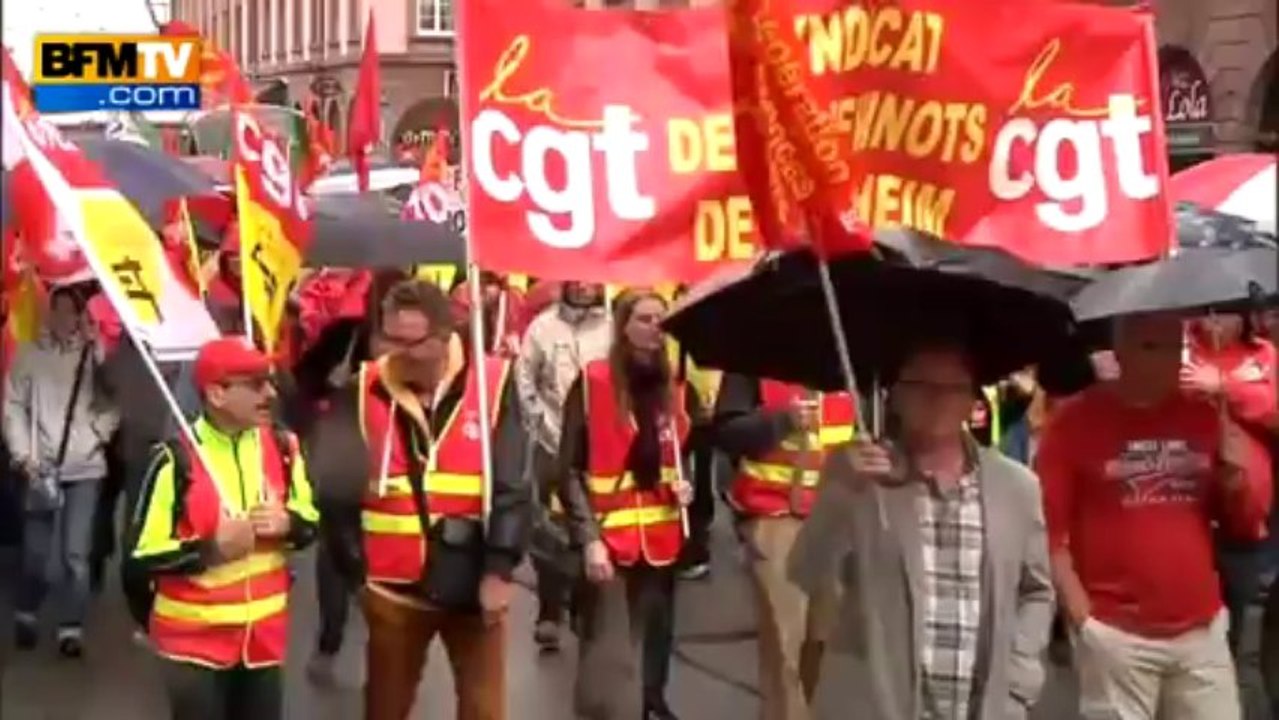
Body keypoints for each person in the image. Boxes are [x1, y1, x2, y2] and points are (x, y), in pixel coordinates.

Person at [790, 334, 1055, 720]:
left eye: (954, 387)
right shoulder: (859, 475)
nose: (938, 399)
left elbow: (1036, 592)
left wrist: (1018, 681)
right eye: (921, 385)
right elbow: (806, 572)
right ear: (895, 394)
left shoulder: (1016, 487)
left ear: (973, 400)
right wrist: (841, 493)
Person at [309, 279, 529, 720]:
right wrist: (357, 575)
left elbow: (515, 483)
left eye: (413, 342)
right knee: (385, 708)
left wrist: (500, 568)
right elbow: (332, 491)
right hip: (390, 587)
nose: (398, 352)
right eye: (390, 338)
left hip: (474, 584)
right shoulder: (360, 389)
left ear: (446, 336)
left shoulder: (494, 384)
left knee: (484, 709)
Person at [1037, 312, 1265, 720]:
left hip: (1200, 629)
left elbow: (1242, 524)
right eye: (1150, 347)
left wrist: (1236, 479)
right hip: (1114, 633)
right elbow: (1047, 529)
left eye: (1174, 347)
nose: (1166, 359)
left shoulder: (1205, 414)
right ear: (1119, 352)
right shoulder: (1073, 423)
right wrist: (1081, 616)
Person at [125, 336, 318, 720]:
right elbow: (141, 559)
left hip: (263, 641)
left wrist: (289, 524)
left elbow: (311, 522)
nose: (270, 393)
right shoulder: (174, 460)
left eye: (270, 381)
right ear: (216, 394)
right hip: (193, 646)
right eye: (256, 385)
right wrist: (210, 550)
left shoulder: (284, 447)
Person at [557, 289, 696, 720]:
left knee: (651, 647)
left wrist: (684, 486)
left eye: (661, 320)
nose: (656, 328)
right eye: (645, 319)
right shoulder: (593, 383)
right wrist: (589, 540)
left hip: (661, 540)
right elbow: (567, 469)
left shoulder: (675, 388)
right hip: (609, 542)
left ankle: (647, 704)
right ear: (623, 327)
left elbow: (680, 455)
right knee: (610, 656)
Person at [713, 373, 855, 719]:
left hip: (836, 521)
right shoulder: (754, 361)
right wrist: (782, 422)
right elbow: (726, 433)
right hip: (774, 518)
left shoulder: (851, 362)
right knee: (784, 648)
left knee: (827, 648)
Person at [3, 285, 118, 658]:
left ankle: (71, 626)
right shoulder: (29, 354)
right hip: (41, 468)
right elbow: (13, 406)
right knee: (36, 554)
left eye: (72, 311)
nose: (64, 318)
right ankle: (27, 611)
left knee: (76, 556)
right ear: (48, 312)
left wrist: (97, 435)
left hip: (85, 468)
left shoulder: (95, 355)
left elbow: (115, 401)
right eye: (58, 310)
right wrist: (23, 454)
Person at [515, 280, 611, 652]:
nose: (586, 286)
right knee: (548, 531)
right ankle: (549, 611)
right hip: (551, 443)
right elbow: (525, 380)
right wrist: (541, 424)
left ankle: (586, 608)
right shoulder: (542, 327)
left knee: (590, 526)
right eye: (578, 280)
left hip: (597, 447)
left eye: (592, 280)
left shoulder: (611, 328)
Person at [1182, 312, 1277, 655]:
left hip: (1248, 511)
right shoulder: (1182, 351)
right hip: (1189, 504)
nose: (1215, 322)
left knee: (1247, 608)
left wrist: (1224, 386)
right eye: (1208, 313)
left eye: (1225, 314)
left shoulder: (1264, 354)